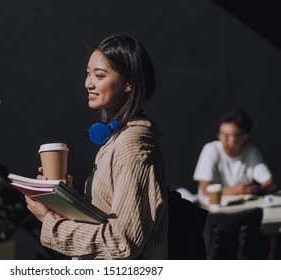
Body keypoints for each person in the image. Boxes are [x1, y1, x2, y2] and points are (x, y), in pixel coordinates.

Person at [25, 34, 168, 259]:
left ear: (128, 83)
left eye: (99, 75)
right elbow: (104, 218)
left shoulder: (133, 146)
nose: (88, 83)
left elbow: (121, 243)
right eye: (88, 73)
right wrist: (63, 199)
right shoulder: (118, 138)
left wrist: (49, 221)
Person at [193, 109, 276, 198]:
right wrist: (234, 191)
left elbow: (270, 183)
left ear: (244, 137)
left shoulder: (251, 151)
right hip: (212, 209)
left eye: (230, 135)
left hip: (242, 208)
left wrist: (256, 189)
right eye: (221, 133)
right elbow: (205, 189)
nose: (224, 138)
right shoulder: (211, 149)